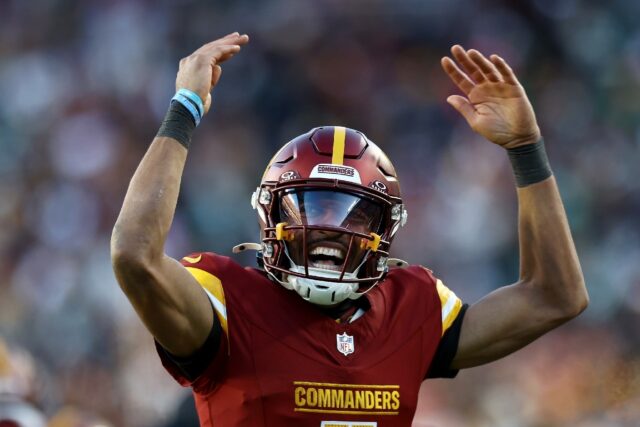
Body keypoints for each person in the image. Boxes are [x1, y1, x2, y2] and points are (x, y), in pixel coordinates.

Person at [111, 33, 589, 426]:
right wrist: (185, 108)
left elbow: (555, 296)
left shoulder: (413, 306)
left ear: (387, 227)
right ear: (270, 215)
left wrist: (525, 150)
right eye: (311, 208)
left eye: (354, 215)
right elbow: (135, 255)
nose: (331, 231)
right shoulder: (227, 301)